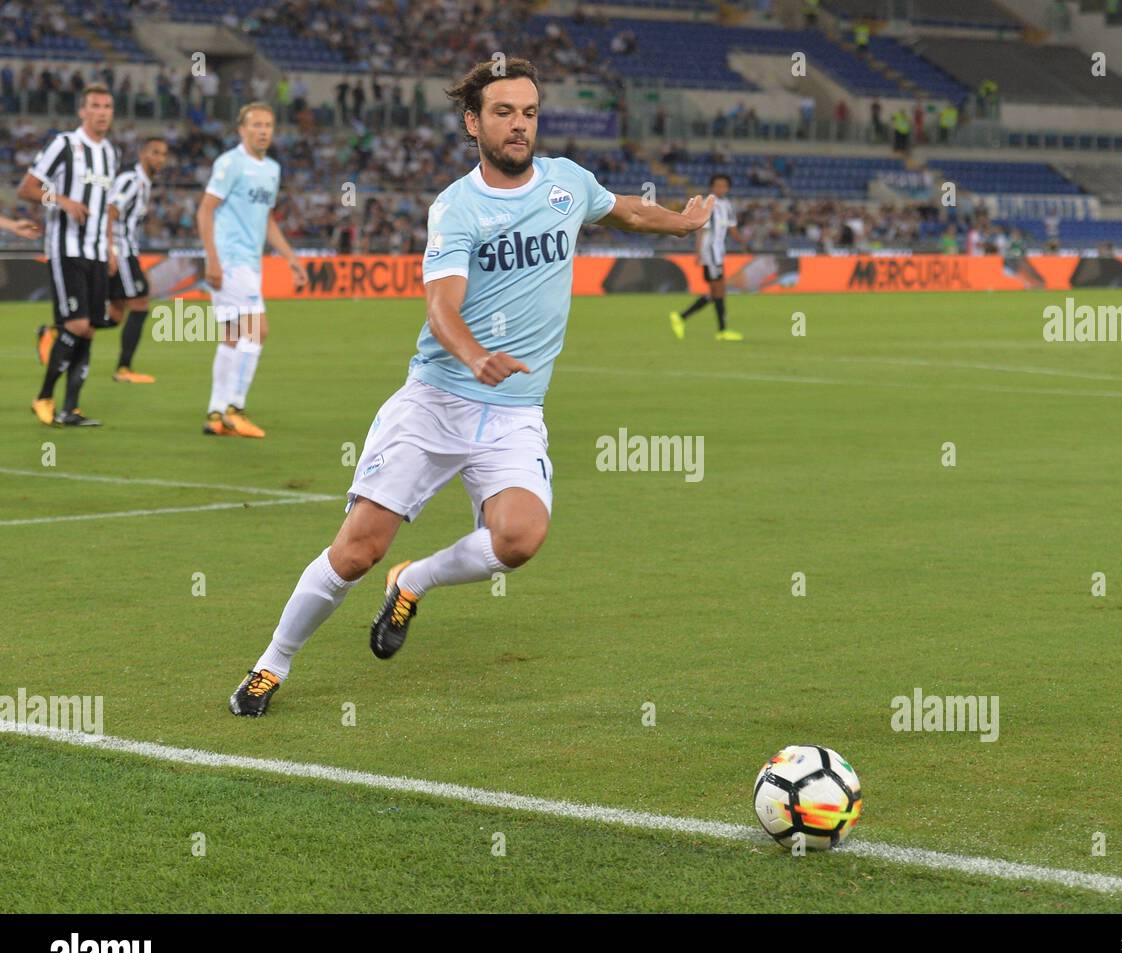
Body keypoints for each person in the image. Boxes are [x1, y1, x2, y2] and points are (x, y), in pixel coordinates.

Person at [228, 58, 715, 716]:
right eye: (504, 113)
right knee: (357, 549)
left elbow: (620, 211)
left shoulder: (568, 183)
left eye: (530, 113)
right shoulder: (457, 207)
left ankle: (414, 581)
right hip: (437, 402)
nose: (520, 125)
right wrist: (475, 354)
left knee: (520, 537)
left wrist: (679, 224)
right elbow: (440, 307)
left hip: (514, 413)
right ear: (472, 122)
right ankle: (272, 664)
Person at [196, 102, 307, 439]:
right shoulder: (230, 163)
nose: (263, 131)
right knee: (257, 330)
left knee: (232, 336)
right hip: (230, 260)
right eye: (256, 125)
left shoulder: (272, 169)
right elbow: (205, 211)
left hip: (248, 261)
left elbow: (267, 219)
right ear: (241, 130)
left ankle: (216, 412)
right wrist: (212, 259)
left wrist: (290, 257)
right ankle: (235, 409)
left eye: (269, 125)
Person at [21, 83, 119, 427]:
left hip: (95, 251)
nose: (103, 112)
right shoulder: (65, 144)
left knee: (89, 329)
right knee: (76, 324)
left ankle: (71, 409)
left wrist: (110, 246)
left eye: (107, 106)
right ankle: (44, 397)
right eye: (95, 105)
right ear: (82, 111)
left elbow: (105, 205)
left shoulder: (110, 153)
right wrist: (61, 201)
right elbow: (28, 187)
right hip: (66, 249)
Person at [106, 136, 168, 383]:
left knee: (117, 313)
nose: (160, 158)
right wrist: (110, 249)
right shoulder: (131, 180)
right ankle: (123, 369)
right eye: (155, 152)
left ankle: (60, 333)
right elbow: (109, 212)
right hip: (120, 250)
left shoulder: (144, 183)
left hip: (126, 249)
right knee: (141, 303)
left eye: (163, 154)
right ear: (143, 154)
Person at [669, 173, 744, 342]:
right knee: (719, 290)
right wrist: (698, 253)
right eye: (718, 185)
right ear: (712, 187)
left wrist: (743, 243)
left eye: (724, 185)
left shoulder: (727, 204)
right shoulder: (708, 204)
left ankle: (682, 317)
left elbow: (732, 228)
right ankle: (722, 330)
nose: (721, 188)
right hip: (710, 253)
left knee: (716, 291)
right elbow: (701, 229)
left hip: (719, 252)